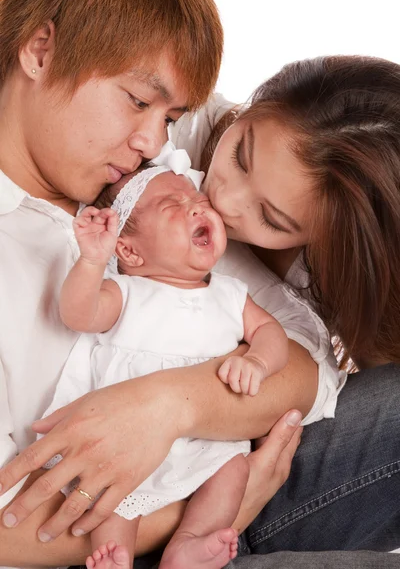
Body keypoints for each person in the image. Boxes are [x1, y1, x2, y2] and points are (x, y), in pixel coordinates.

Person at [0, 0, 398, 566]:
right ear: (39, 49)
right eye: (137, 103)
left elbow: (308, 365)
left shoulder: (172, 147)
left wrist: (170, 404)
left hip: (241, 463)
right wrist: (187, 520)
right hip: (128, 535)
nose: (150, 139)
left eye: (168, 115)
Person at [47, 146, 289, 569]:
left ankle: (188, 544)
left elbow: (272, 333)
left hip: (205, 434)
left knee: (233, 470)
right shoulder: (128, 295)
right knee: (115, 491)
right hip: (128, 433)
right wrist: (91, 261)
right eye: (174, 205)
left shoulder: (229, 294)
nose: (198, 209)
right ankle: (115, 554)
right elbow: (78, 314)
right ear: (131, 252)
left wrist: (257, 362)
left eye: (198, 202)